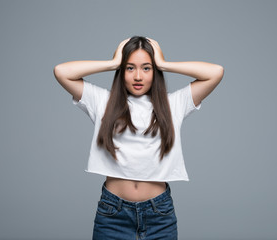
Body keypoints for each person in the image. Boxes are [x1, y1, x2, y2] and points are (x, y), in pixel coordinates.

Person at [53, 36, 224, 240]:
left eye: (146, 68)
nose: (138, 76)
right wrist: (113, 63)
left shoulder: (174, 104)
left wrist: (164, 64)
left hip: (159, 215)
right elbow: (61, 72)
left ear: (155, 72)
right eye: (130, 68)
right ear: (121, 72)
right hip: (113, 214)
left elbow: (215, 73)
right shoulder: (101, 101)